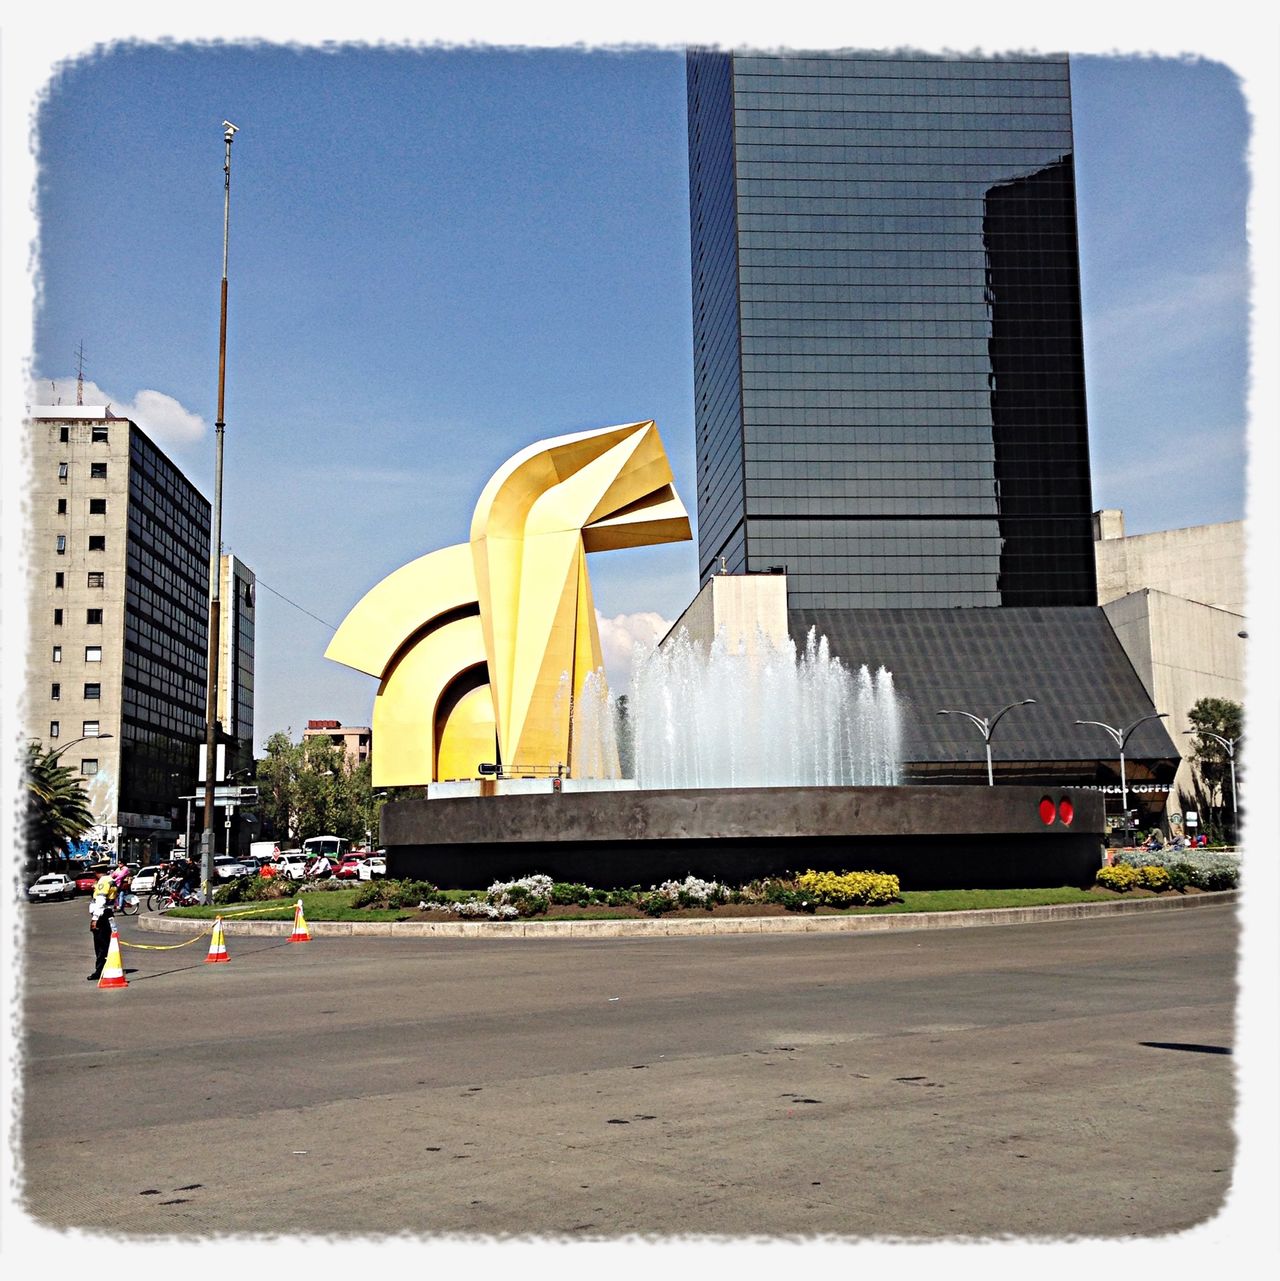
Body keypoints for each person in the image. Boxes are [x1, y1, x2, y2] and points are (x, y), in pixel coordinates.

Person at [87, 869, 118, 981]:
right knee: (107, 943)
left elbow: (100, 901)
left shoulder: (103, 881)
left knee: (100, 944)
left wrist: (95, 919)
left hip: (102, 916)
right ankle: (107, 966)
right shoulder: (111, 880)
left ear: (96, 872)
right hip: (109, 914)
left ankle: (100, 970)